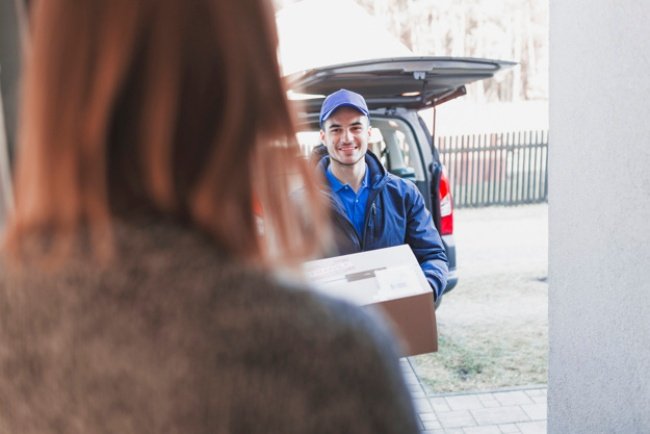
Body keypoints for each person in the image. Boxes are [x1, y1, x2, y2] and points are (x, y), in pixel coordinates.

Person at [0, 1, 420, 433]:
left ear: (48, 82)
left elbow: (429, 252)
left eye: (355, 128)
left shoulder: (13, 318)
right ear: (251, 87)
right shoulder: (335, 358)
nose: (347, 138)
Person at [315, 89, 449, 302]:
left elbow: (433, 256)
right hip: (332, 326)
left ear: (369, 133)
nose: (347, 138)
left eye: (356, 127)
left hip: (393, 320)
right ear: (324, 137)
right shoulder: (298, 204)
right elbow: (286, 271)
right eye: (336, 129)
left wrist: (423, 291)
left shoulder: (404, 194)